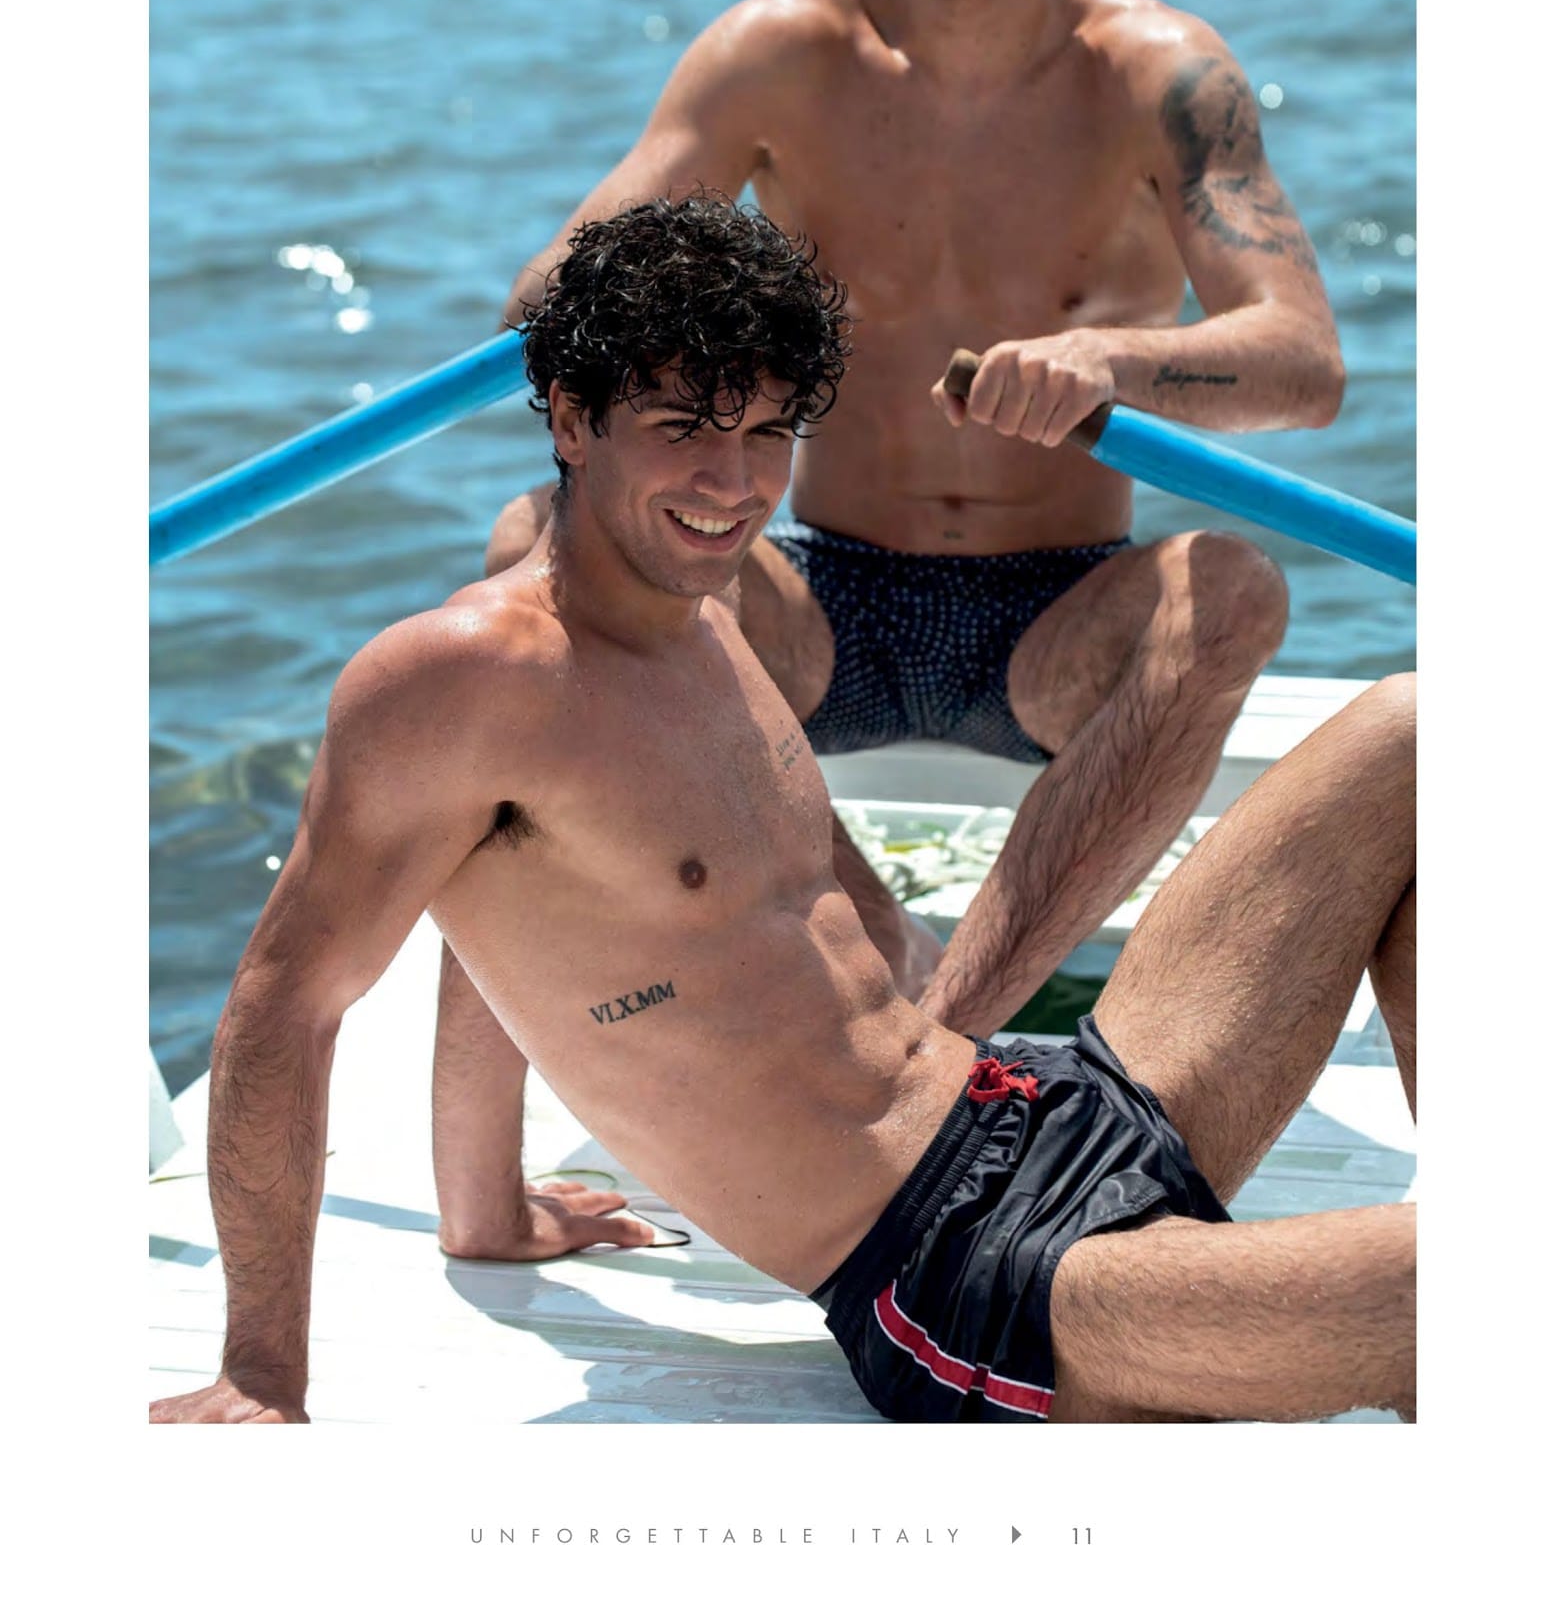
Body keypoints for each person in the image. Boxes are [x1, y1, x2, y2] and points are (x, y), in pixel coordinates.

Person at [150, 200, 1412, 1427]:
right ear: (574, 420)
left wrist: (484, 1211)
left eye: (766, 432)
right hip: (966, 1275)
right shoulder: (463, 678)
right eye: (681, 426)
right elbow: (285, 1002)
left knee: (1416, 728)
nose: (732, 480)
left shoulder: (706, 619)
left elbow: (505, 915)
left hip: (1042, 1100)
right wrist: (262, 1372)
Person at [480, 0, 1344, 1023]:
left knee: (1232, 589)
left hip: (1055, 616)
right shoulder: (775, 55)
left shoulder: (1161, 73)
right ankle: (880, 956)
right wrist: (668, 306)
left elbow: (1302, 361)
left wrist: (1107, 361)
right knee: (537, 533)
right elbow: (549, 301)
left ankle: (954, 1025)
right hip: (823, 600)